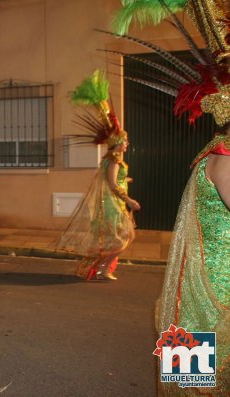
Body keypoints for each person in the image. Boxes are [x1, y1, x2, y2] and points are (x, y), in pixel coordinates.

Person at [110, 1, 229, 393]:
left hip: (208, 288)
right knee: (200, 381)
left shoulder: (214, 154)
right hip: (215, 291)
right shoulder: (224, 158)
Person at [55, 70, 140, 281]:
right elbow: (111, 183)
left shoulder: (112, 159)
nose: (127, 144)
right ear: (117, 143)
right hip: (112, 204)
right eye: (125, 141)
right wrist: (129, 199)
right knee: (122, 238)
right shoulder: (114, 160)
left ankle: (103, 268)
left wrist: (125, 180)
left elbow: (112, 179)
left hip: (113, 203)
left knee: (122, 237)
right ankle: (102, 268)